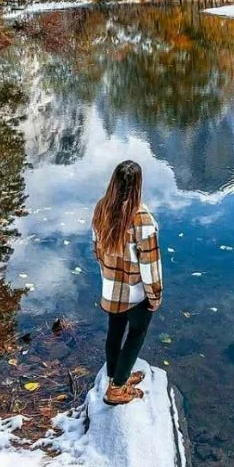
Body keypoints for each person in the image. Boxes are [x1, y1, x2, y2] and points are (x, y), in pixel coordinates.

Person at [92, 160, 162, 406]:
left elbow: (96, 249)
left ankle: (115, 376)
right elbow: (150, 266)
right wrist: (155, 297)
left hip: (111, 289)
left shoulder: (102, 208)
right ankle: (117, 389)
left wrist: (108, 275)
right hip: (135, 294)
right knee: (136, 334)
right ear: (137, 186)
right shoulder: (141, 217)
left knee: (114, 331)